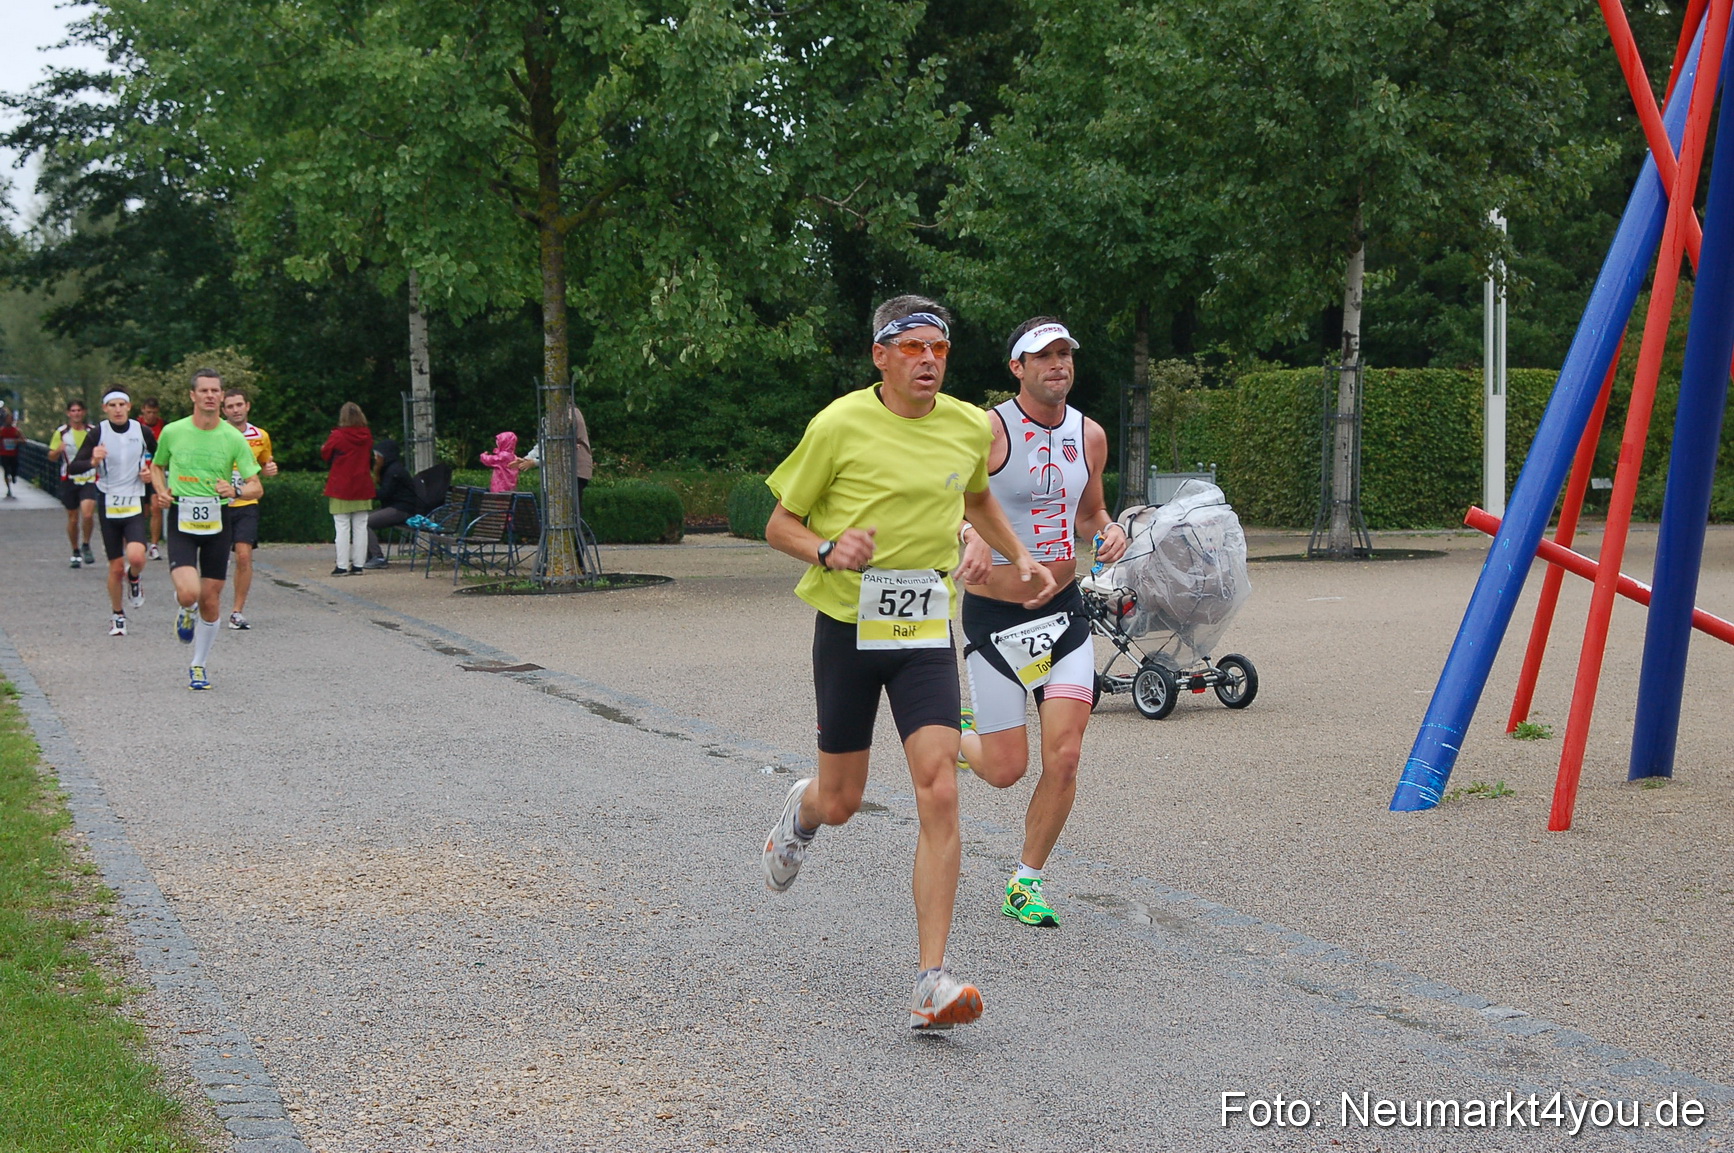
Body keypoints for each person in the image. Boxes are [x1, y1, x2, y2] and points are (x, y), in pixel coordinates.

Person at [758, 294, 1057, 1031]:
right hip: (848, 627)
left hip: (924, 629)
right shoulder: (837, 424)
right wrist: (828, 548)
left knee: (939, 788)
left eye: (941, 350)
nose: (929, 361)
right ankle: (802, 812)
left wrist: (1016, 551)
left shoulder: (965, 425)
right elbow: (778, 523)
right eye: (914, 348)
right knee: (844, 800)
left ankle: (931, 980)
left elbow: (978, 496)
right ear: (881, 355)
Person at [956, 317, 1128, 930]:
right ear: (1017, 368)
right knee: (1005, 770)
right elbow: (946, 498)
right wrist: (968, 533)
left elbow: (1090, 511)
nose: (1059, 364)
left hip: (1063, 611)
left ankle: (1025, 881)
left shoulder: (1091, 434)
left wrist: (1109, 529)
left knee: (1066, 754)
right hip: (994, 616)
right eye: (1044, 356)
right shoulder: (987, 429)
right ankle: (955, 736)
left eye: (1065, 354)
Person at [149, 368, 263, 690]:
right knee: (189, 593)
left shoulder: (232, 437)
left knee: (211, 600)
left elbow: (256, 486)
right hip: (183, 516)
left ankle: (198, 665)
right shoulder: (173, 431)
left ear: (222, 396)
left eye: (216, 391)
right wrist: (160, 490)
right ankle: (187, 608)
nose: (211, 395)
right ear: (193, 395)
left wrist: (237, 491)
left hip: (218, 519)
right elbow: (157, 465)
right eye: (204, 391)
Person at [69, 391, 157, 636]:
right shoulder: (98, 433)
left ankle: (135, 578)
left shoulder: (142, 432)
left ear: (129, 406)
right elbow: (74, 467)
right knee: (116, 567)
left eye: (121, 404)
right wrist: (92, 462)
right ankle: (118, 615)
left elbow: (161, 459)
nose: (117, 409)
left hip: (134, 501)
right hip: (108, 501)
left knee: (137, 557)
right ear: (105, 408)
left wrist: (150, 474)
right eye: (112, 405)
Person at [221, 387, 279, 628]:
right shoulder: (216, 432)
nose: (235, 410)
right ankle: (201, 602)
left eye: (239, 405)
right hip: (219, 503)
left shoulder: (260, 435)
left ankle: (237, 611)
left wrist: (269, 470)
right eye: (230, 406)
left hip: (247, 501)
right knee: (215, 558)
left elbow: (266, 462)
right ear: (223, 410)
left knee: (244, 556)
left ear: (247, 406)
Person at [322, 402, 375, 576]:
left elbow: (326, 454)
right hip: (362, 484)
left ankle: (342, 565)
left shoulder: (338, 435)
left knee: (342, 527)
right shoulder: (367, 436)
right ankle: (359, 565)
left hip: (341, 485)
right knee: (361, 526)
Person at [47, 399, 98, 567]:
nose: (76, 414)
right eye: (73, 411)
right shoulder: (61, 433)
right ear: (68, 413)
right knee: (73, 518)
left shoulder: (92, 431)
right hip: (69, 478)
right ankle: (75, 550)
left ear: (83, 412)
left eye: (79, 410)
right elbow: (51, 457)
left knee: (88, 514)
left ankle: (86, 544)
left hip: (89, 477)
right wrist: (58, 450)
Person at [364, 438, 415, 568]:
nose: (375, 458)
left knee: (364, 522)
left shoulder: (394, 471)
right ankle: (368, 556)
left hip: (402, 510)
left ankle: (377, 557)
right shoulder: (391, 469)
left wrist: (365, 493)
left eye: (378, 455)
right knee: (361, 520)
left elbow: (385, 493)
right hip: (397, 508)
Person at [138, 397, 166, 559]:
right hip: (139, 474)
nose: (151, 416)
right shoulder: (135, 426)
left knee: (157, 507)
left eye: (154, 413)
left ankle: (154, 545)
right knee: (143, 511)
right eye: (148, 412)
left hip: (156, 472)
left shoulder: (163, 426)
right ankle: (140, 541)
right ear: (142, 410)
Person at [0, 408, 20, 499]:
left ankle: (14, 476)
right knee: (6, 471)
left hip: (13, 454)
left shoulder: (16, 430)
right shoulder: (2, 430)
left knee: (13, 470)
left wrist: (17, 440)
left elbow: (24, 440)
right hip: (4, 454)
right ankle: (8, 489)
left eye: (10, 419)